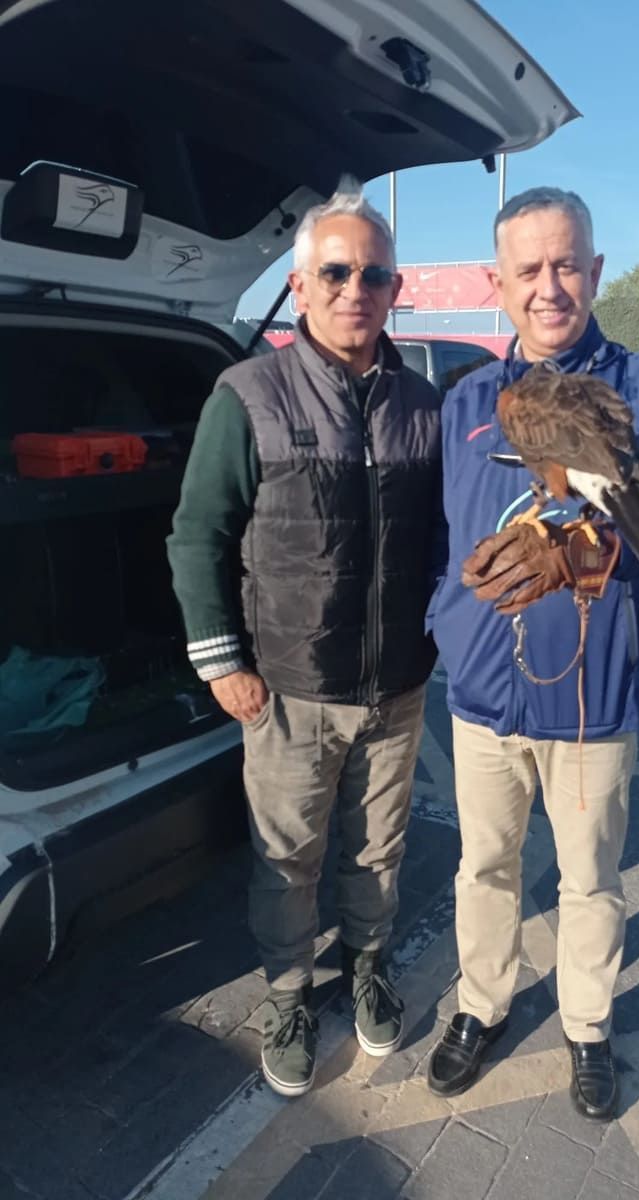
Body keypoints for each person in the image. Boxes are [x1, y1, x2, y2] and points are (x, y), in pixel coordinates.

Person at [425, 187, 639, 1119]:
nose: (549, 287)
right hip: (480, 693)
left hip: (592, 696)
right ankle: (481, 1007)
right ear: (498, 285)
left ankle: (588, 1027)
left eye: (566, 266)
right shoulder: (468, 398)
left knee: (590, 877)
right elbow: (446, 530)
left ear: (593, 272)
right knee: (484, 868)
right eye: (528, 271)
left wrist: (596, 541)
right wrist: (446, 619)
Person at [167, 179, 444, 1098]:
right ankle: (288, 992)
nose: (354, 288)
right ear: (301, 281)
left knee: (377, 850)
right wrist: (222, 661)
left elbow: (449, 536)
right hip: (285, 689)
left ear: (395, 289)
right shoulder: (247, 395)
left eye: (374, 273)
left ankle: (367, 967)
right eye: (335, 271)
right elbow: (198, 531)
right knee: (286, 857)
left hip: (396, 687)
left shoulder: (423, 405)